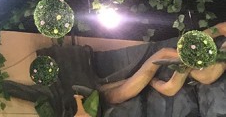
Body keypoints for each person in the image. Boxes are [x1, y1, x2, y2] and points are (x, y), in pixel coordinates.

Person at [95, 23, 226, 105]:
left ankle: (103, 92)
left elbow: (170, 87)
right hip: (172, 58)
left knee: (113, 95)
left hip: (173, 63)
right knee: (111, 94)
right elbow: (216, 30)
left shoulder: (208, 74)